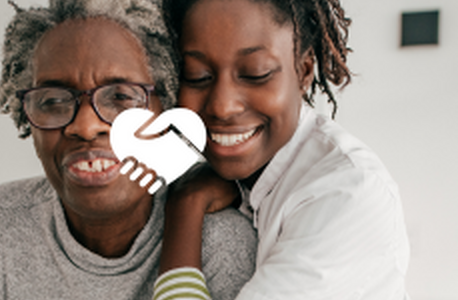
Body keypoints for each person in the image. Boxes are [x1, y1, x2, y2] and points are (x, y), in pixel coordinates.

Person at [0, 0, 257, 299]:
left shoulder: (223, 245)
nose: (85, 127)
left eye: (120, 97)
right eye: (53, 100)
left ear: (168, 111)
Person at [153, 0, 410, 299]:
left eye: (255, 74)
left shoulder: (346, 193)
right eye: (197, 75)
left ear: (303, 72)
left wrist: (185, 207)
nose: (222, 106)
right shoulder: (235, 170)